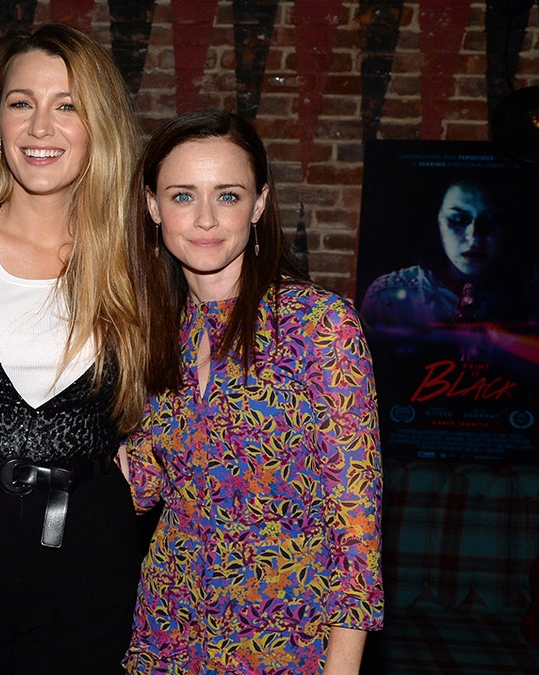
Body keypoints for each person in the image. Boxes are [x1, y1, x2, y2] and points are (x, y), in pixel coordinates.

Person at [0, 23, 170, 673]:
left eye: (66, 105)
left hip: (91, 549)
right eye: (21, 102)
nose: (40, 126)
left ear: (98, 126)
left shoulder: (141, 262)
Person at [122, 109, 384, 674]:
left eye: (230, 195)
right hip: (167, 634)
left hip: (286, 643)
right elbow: (141, 488)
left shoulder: (319, 325)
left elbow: (355, 528)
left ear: (260, 204)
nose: (207, 219)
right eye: (184, 196)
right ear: (152, 206)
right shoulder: (158, 335)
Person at [360, 177, 526, 327]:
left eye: (490, 220)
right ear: (439, 222)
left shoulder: (529, 297)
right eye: (458, 219)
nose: (474, 237)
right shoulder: (388, 297)